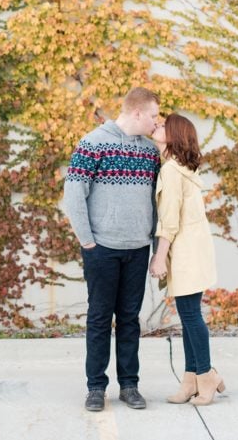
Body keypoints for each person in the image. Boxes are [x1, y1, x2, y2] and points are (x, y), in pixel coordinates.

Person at [63, 87, 161, 412]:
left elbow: (157, 201)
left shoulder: (150, 152)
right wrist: (86, 240)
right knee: (100, 317)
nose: (155, 122)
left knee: (130, 319)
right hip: (102, 248)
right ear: (137, 113)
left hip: (137, 248)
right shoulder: (92, 143)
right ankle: (95, 387)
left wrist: (156, 244)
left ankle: (130, 385)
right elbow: (74, 193)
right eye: (152, 116)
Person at [149, 113, 226, 406]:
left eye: (162, 125)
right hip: (194, 249)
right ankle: (191, 378)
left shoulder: (171, 171)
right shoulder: (182, 169)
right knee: (188, 313)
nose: (157, 125)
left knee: (191, 316)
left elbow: (169, 221)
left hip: (185, 251)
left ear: (174, 135)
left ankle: (206, 376)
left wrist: (159, 257)